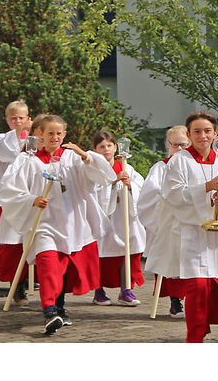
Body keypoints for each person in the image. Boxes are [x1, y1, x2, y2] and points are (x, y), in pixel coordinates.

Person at [0, 114, 114, 335]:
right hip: (43, 222)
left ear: (65, 134)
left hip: (70, 221)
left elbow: (103, 177)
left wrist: (86, 156)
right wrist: (31, 199)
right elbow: (9, 190)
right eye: (50, 133)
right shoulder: (27, 160)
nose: (55, 137)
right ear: (40, 134)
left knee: (63, 266)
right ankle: (50, 311)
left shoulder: (73, 158)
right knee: (48, 264)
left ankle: (60, 307)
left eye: (59, 133)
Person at [146, 111, 218, 342]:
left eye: (207, 131)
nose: (203, 136)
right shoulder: (179, 161)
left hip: (214, 235)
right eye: (197, 131)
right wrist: (206, 187)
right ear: (189, 134)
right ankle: (195, 336)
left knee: (209, 283)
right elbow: (173, 195)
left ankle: (201, 331)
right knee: (197, 286)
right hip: (189, 232)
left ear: (215, 134)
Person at [90, 130, 146, 307]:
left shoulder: (126, 167)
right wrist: (113, 182)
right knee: (102, 254)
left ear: (115, 147)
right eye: (102, 146)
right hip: (105, 218)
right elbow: (92, 192)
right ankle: (98, 290)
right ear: (95, 149)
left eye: (109, 145)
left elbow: (140, 187)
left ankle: (126, 289)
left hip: (125, 217)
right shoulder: (93, 169)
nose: (106, 149)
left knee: (127, 251)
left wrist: (130, 186)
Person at [138, 124, 189, 318]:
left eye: (184, 145)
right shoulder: (161, 167)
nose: (180, 149)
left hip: (190, 223)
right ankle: (175, 301)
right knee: (170, 262)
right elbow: (149, 194)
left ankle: (194, 301)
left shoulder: (194, 166)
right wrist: (167, 199)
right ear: (168, 144)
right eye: (176, 145)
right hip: (168, 222)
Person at [0, 101, 33, 304]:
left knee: (29, 241)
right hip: (4, 198)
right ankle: (16, 283)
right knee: (8, 244)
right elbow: (8, 154)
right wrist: (20, 133)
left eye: (21, 118)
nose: (17, 122)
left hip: (29, 197)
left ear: (28, 118)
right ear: (6, 119)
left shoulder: (35, 139)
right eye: (13, 118)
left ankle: (27, 278)